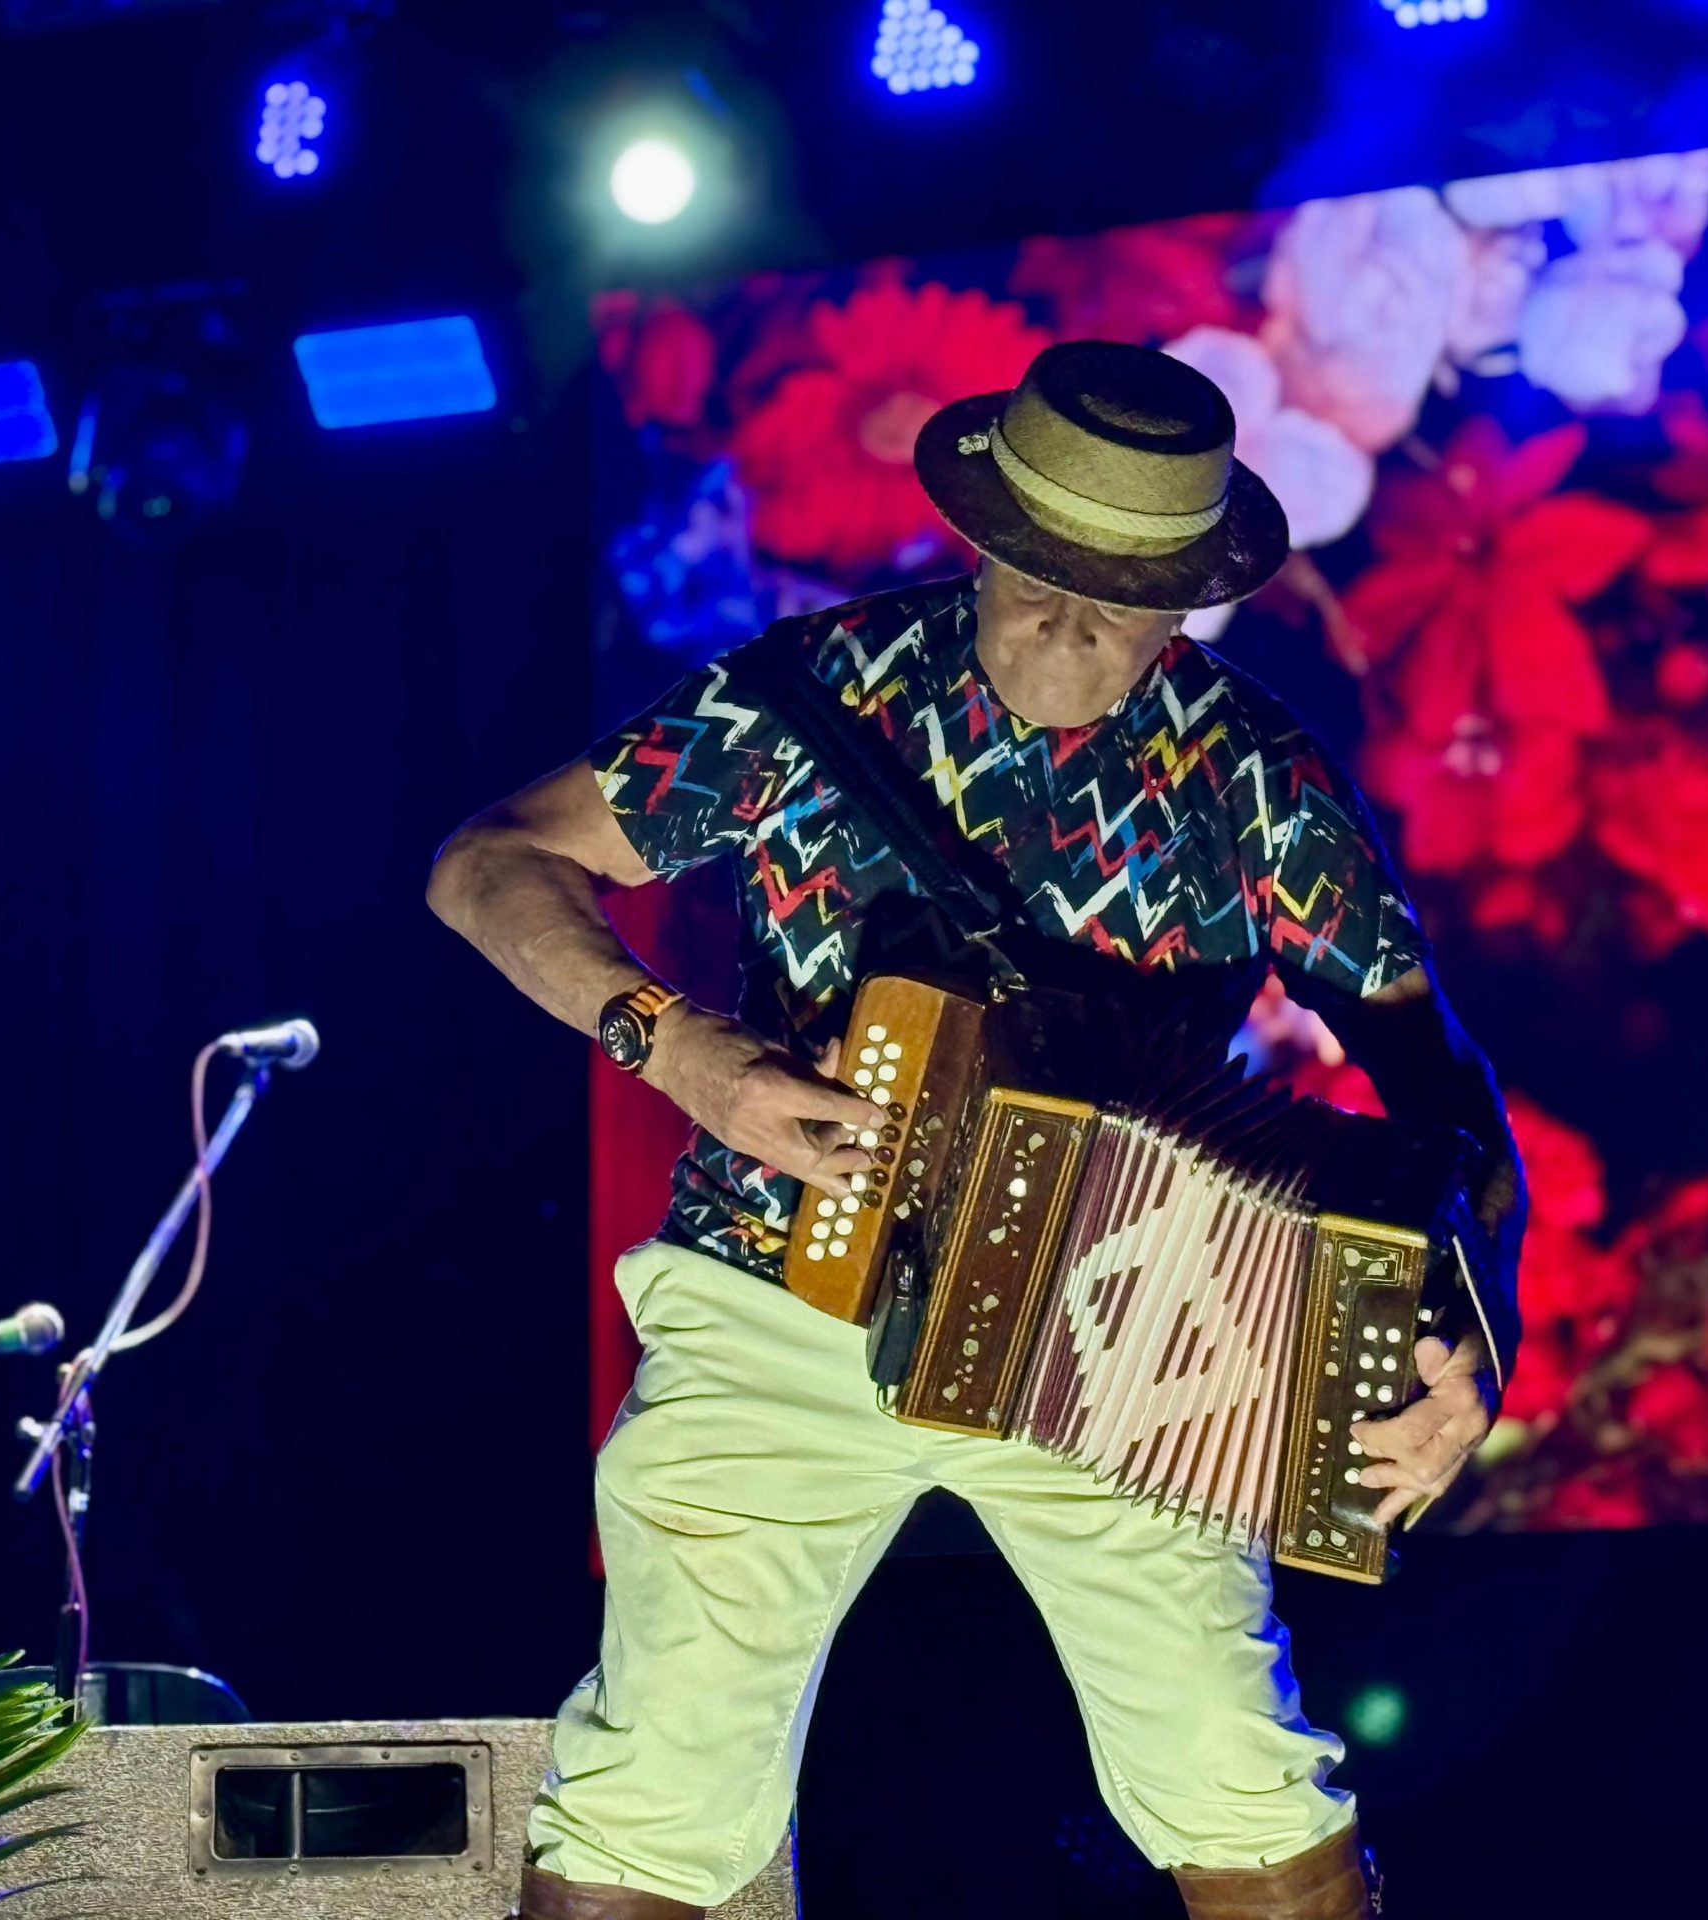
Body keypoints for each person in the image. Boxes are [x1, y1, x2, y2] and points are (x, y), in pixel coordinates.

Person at [429, 339, 1524, 1920]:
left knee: (1239, 1775)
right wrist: (689, 1056)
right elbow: (488, 864)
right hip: (782, 1288)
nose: (1071, 624)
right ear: (983, 533)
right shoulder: (799, 702)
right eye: (1040, 574)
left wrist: (1471, 1323)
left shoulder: (1257, 781)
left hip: (1124, 1329)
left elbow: (1443, 1086)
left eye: (1121, 593)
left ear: (1191, 598)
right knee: (646, 1794)